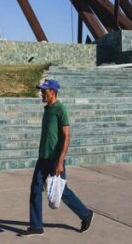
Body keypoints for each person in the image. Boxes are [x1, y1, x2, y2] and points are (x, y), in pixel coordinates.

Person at [21, 79, 94, 237]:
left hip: (55, 159)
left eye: (44, 91)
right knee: (35, 188)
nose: (42, 93)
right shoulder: (47, 109)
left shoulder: (60, 109)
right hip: (43, 157)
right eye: (41, 91)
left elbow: (66, 136)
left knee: (62, 191)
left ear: (53, 92)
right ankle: (36, 226)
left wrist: (60, 161)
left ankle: (86, 214)